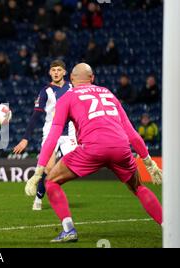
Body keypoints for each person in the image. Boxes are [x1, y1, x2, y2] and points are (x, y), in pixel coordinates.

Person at [25, 63, 162, 242]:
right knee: (139, 187)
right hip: (120, 147)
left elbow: (53, 136)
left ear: (72, 80)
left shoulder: (67, 96)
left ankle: (68, 230)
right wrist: (149, 162)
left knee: (51, 181)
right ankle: (170, 227)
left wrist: (38, 172)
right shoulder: (108, 93)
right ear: (92, 78)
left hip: (92, 149)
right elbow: (132, 133)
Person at [14, 60, 76, 211]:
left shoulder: (72, 88)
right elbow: (36, 116)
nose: (56, 72)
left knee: (74, 167)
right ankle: (39, 198)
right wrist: (25, 138)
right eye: (53, 70)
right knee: (48, 169)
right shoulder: (45, 91)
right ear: (50, 72)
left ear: (64, 72)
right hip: (51, 132)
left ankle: (50, 184)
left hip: (70, 133)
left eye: (59, 70)